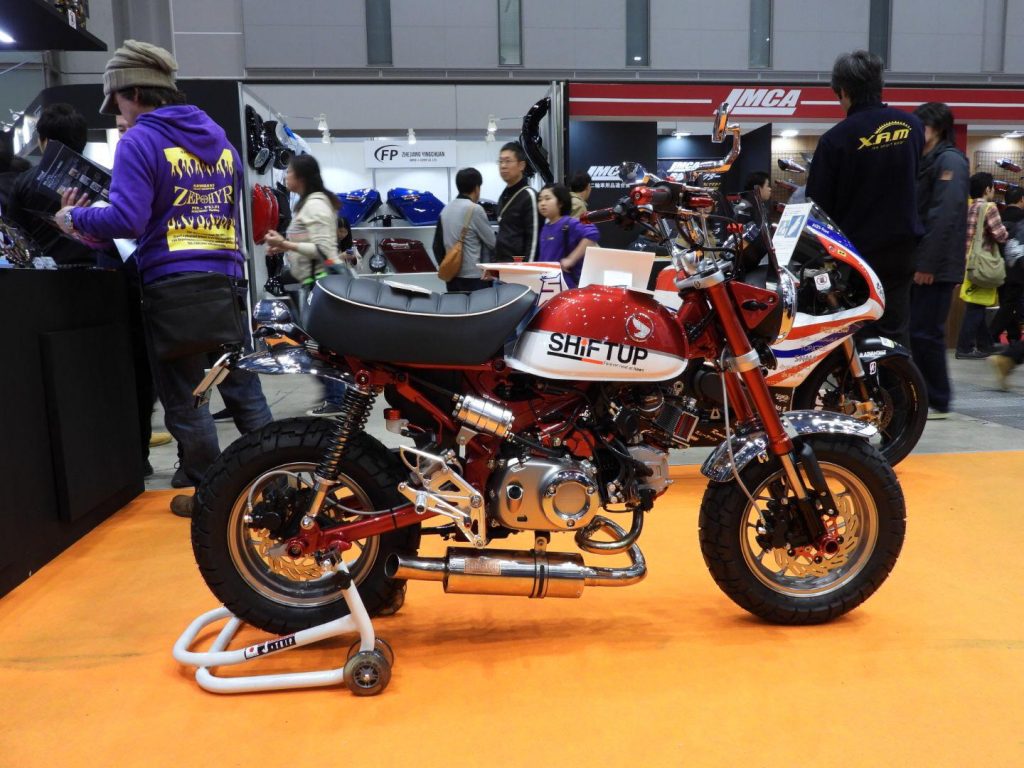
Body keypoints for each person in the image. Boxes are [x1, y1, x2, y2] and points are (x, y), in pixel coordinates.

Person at [53, 40, 273, 517]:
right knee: (244, 390)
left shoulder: (139, 141)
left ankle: (213, 499)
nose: (119, 113)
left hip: (174, 290)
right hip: (228, 281)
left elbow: (128, 219)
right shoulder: (220, 141)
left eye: (118, 101)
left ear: (134, 92)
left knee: (187, 401)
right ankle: (276, 483)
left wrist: (74, 219)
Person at [805, 50, 924, 347]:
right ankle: (898, 377)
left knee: (858, 333)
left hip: (858, 255)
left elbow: (817, 206)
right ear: (880, 84)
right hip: (904, 248)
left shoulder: (835, 139)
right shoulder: (912, 127)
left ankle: (866, 378)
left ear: (842, 91)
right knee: (895, 331)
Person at [262, 154, 346, 417]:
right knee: (316, 345)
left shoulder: (316, 205)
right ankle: (335, 395)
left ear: (301, 176)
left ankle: (336, 398)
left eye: (289, 172)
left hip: (321, 283)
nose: (285, 176)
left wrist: (285, 244)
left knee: (321, 346)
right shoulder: (307, 204)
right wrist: (282, 247)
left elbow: (323, 250)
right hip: (313, 283)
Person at [908, 102, 969, 420]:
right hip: (922, 262)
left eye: (923, 126)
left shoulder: (950, 161)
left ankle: (938, 399)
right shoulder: (926, 160)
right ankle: (925, 396)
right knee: (917, 332)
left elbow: (944, 216)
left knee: (926, 333)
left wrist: (927, 264)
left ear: (938, 128)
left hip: (935, 267)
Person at [956, 172, 1009, 360]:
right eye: (992, 187)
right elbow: (1000, 235)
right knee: (976, 307)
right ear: (987, 189)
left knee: (976, 304)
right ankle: (964, 348)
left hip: (969, 262)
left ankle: (985, 344)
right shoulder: (989, 207)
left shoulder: (970, 207)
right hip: (982, 264)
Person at [432, 166, 496, 292]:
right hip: (474, 277)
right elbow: (492, 242)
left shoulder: (445, 210)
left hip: (452, 276)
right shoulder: (475, 209)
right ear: (477, 188)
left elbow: (436, 246)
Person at [536, 183, 599, 288]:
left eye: (547, 199)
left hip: (567, 285)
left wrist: (571, 259)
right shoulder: (545, 228)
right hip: (547, 284)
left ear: (560, 203)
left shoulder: (569, 223)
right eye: (540, 199)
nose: (542, 203)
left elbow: (592, 234)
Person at [988, 187, 1024, 346]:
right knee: (1011, 304)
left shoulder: (999, 216)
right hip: (1018, 267)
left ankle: (1014, 335)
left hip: (998, 266)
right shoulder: (1022, 218)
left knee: (1007, 302)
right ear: (1021, 199)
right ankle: (990, 335)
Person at [495, 141, 539, 262]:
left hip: (519, 269)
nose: (503, 166)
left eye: (508, 161)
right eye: (500, 161)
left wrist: (527, 269)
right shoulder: (503, 195)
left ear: (521, 165)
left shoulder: (529, 196)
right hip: (501, 267)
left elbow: (534, 240)